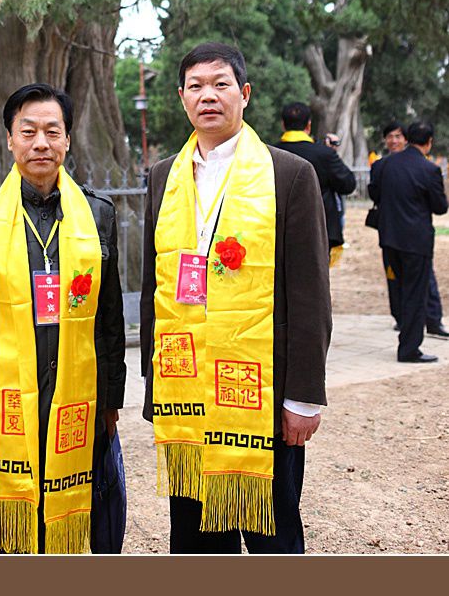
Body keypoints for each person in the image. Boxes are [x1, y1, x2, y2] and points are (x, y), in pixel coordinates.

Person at [140, 42, 332, 555]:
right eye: (196, 86)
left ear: (244, 94)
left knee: (273, 536)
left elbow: (311, 293)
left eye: (220, 84)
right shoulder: (163, 176)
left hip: (262, 385)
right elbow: (154, 284)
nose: (208, 96)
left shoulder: (289, 174)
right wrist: (154, 386)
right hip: (186, 384)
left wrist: (303, 397)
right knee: (195, 536)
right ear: (182, 97)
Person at [0, 82, 126, 554]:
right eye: (28, 132)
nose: (40, 143)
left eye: (52, 131)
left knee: (69, 530)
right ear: (10, 140)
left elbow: (109, 320)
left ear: (68, 139)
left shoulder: (97, 215)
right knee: (2, 529)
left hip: (76, 398)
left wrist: (111, 400)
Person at [371, 121, 448, 363]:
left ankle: (403, 329)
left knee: (397, 287)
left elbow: (375, 194)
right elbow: (440, 207)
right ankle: (409, 348)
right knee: (415, 293)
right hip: (416, 241)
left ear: (407, 138)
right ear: (429, 142)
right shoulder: (429, 170)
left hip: (389, 237)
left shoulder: (384, 165)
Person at [276, 102, 356, 263]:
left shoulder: (268, 152)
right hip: (318, 228)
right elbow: (348, 184)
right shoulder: (324, 154)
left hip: (279, 228)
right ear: (308, 125)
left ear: (283, 124)